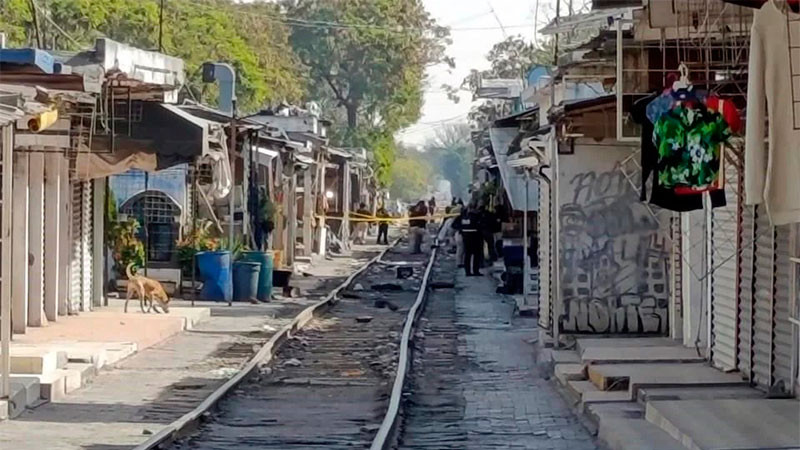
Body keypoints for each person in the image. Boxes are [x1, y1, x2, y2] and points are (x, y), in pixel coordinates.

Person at [461, 203, 483, 276]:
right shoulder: (477, 215)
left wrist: (462, 231)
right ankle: (475, 271)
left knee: (468, 255)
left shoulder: (463, 216)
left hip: (466, 237)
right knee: (476, 255)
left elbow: (456, 225)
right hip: (476, 237)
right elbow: (481, 225)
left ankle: (468, 272)